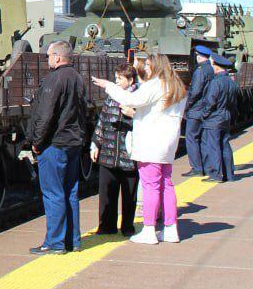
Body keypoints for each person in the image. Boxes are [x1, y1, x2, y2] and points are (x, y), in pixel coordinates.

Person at [92, 53, 187, 244]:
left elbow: (132, 99)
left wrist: (108, 86)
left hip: (151, 143)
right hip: (168, 143)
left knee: (150, 185)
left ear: (157, 66)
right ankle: (170, 228)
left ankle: (149, 229)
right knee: (166, 185)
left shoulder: (156, 84)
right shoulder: (178, 87)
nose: (147, 69)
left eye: (149, 65)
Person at [25, 40, 89, 255]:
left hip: (55, 143)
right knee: (70, 191)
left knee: (53, 193)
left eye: (49, 56)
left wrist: (36, 141)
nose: (48, 59)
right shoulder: (78, 78)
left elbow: (45, 114)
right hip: (73, 142)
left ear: (58, 57)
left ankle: (54, 243)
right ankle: (73, 240)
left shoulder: (54, 79)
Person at [91, 62, 140, 236]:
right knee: (106, 193)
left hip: (129, 156)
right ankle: (106, 226)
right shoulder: (112, 96)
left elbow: (148, 123)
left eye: (120, 78)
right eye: (116, 78)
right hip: (109, 153)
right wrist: (95, 143)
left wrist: (132, 116)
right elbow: (102, 119)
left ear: (130, 79)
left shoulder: (140, 98)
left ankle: (127, 226)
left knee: (129, 194)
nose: (116, 81)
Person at [195, 55, 239, 181]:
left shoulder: (216, 82)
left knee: (212, 146)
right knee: (225, 145)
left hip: (214, 118)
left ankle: (215, 174)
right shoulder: (230, 82)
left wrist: (204, 114)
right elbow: (234, 103)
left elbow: (210, 102)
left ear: (216, 66)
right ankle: (229, 174)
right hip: (225, 116)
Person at [180, 46, 215, 178]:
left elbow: (195, 91)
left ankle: (196, 167)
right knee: (203, 138)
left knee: (191, 138)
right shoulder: (210, 69)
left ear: (198, 56)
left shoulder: (200, 71)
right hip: (206, 108)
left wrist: (188, 103)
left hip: (196, 109)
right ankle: (206, 166)